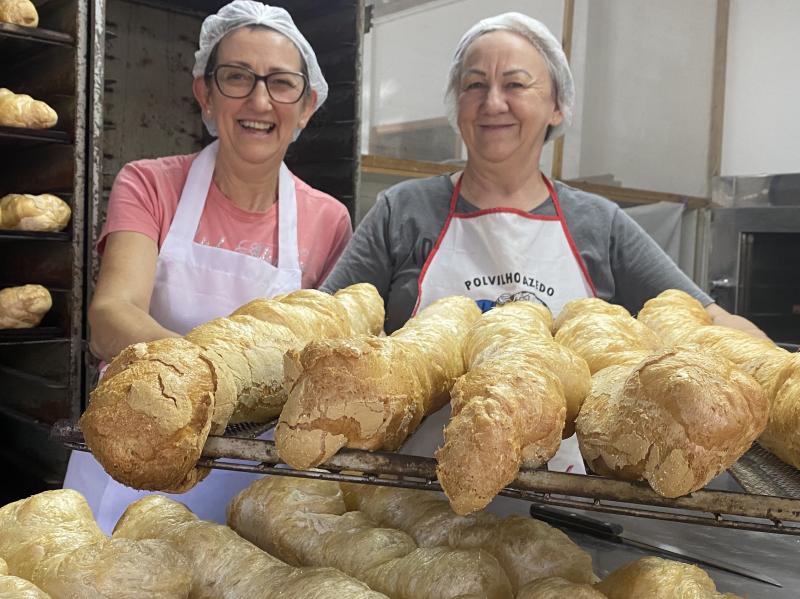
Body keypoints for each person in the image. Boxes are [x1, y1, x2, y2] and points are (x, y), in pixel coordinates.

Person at [321, 12, 767, 501]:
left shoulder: (598, 223)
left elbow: (708, 320)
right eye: (474, 85)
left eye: (515, 83)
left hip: (564, 497)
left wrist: (775, 376)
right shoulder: (402, 211)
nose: (493, 102)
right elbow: (330, 322)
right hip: (413, 489)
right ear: (457, 104)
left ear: (556, 105)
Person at [64, 0, 352, 532]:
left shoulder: (327, 220)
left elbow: (325, 362)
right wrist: (209, 376)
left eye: (282, 83)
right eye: (237, 77)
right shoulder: (150, 184)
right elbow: (109, 317)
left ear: (307, 105)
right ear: (206, 92)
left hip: (256, 490)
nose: (259, 99)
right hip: (133, 459)